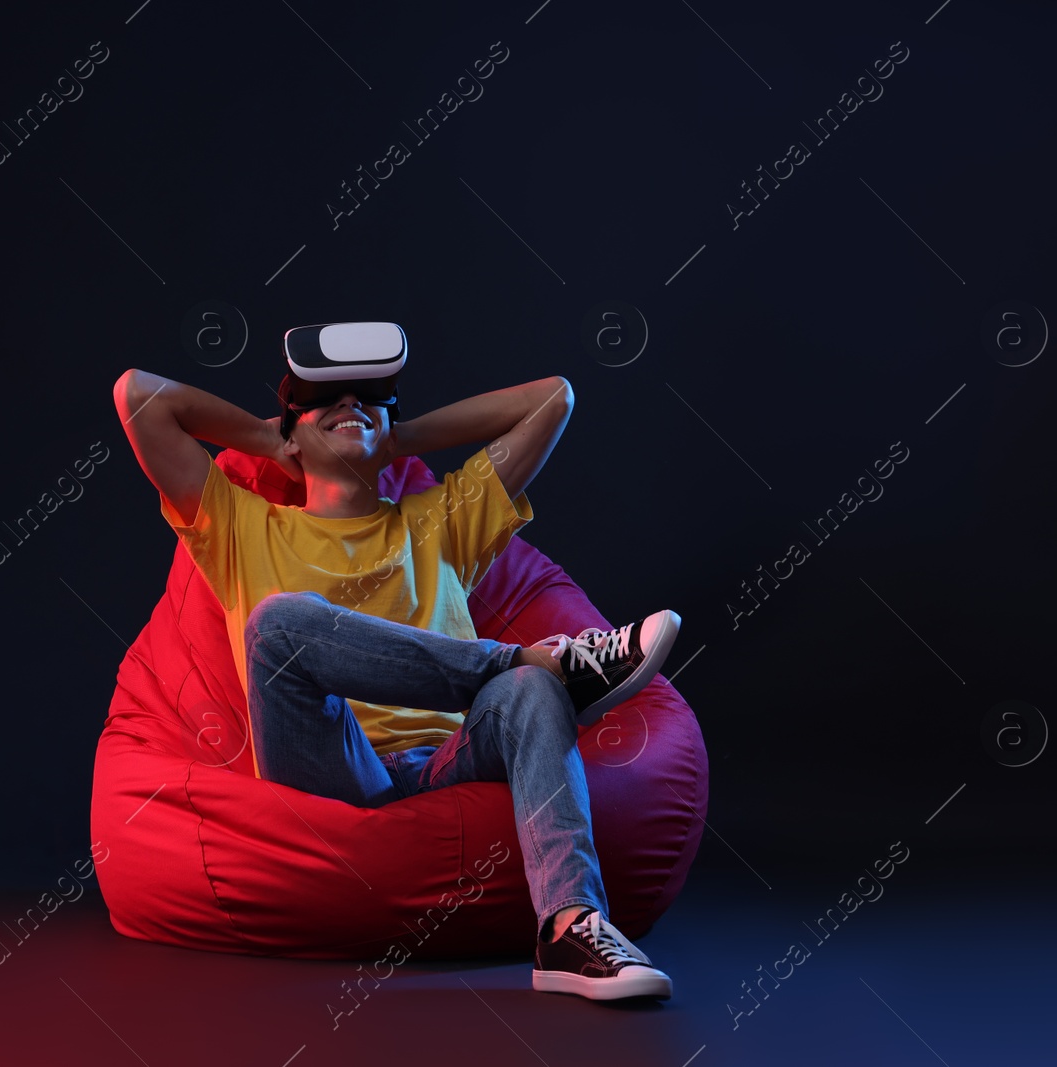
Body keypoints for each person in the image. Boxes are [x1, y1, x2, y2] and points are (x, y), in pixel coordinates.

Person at [111, 333, 681, 1001]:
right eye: (324, 397)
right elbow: (137, 396)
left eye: (373, 396)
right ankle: (543, 662)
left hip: (442, 763)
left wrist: (396, 435)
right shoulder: (243, 525)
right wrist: (273, 442)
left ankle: (570, 926)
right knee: (277, 623)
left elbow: (552, 398)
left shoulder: (440, 520)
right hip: (324, 766)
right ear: (290, 427)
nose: (351, 401)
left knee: (531, 693)